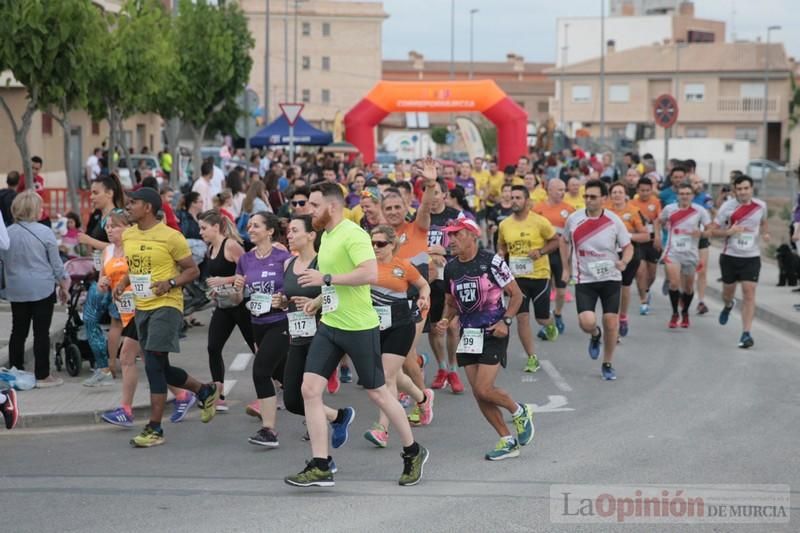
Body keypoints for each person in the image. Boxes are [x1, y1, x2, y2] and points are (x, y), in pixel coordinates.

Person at [284, 182, 428, 488]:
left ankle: (413, 451)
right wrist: (319, 299)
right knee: (309, 389)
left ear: (331, 207)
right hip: (331, 325)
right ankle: (320, 464)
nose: (309, 210)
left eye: (313, 204)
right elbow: (336, 284)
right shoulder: (327, 236)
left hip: (360, 327)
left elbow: (369, 274)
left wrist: (325, 277)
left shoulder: (354, 234)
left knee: (378, 392)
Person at [117, 187, 219, 447]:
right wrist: (123, 282)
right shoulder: (128, 235)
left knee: (153, 365)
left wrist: (171, 282)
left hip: (167, 305)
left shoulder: (171, 237)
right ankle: (203, 390)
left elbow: (192, 271)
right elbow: (137, 265)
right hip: (143, 306)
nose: (129, 207)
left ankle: (154, 428)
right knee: (159, 366)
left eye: (133, 203)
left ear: (148, 207)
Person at [435, 217, 534, 460]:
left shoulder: (491, 261)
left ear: (472, 235)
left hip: (493, 331)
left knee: (484, 388)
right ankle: (506, 439)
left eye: (457, 234)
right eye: (450, 235)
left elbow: (516, 295)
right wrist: (445, 319)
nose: (451, 240)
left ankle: (518, 410)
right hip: (468, 335)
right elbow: (451, 303)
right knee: (478, 393)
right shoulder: (451, 267)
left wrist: (506, 321)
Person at [278, 215, 355, 448]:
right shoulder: (288, 264)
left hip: (324, 335)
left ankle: (321, 457)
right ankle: (337, 417)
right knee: (292, 399)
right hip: (297, 335)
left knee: (311, 393)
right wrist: (282, 301)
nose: (289, 235)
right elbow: (289, 297)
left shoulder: (324, 262)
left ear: (311, 235)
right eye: (288, 231)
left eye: (294, 230)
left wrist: (317, 302)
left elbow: (340, 292)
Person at [364, 225, 434, 448]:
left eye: (381, 243)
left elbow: (424, 285)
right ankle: (423, 398)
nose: (375, 247)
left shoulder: (403, 266)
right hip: (375, 327)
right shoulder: (365, 267)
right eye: (372, 243)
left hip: (401, 326)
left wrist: (423, 298)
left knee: (386, 376)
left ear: (392, 245)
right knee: (396, 376)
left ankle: (382, 429)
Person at [560, 180, 633, 381]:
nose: (589, 200)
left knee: (611, 322)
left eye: (593, 196)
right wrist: (566, 268)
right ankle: (594, 334)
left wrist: (624, 262)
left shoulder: (613, 220)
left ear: (603, 199)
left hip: (610, 278)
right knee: (586, 322)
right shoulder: (574, 220)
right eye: (586, 196)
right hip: (584, 279)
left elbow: (628, 246)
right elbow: (563, 241)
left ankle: (607, 363)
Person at [231, 212, 291, 447]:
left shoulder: (283, 258)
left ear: (269, 231)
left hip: (279, 323)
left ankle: (268, 430)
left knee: (261, 371)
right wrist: (237, 288)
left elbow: (291, 293)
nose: (251, 229)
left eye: (256, 226)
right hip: (257, 324)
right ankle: (332, 416)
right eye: (249, 226)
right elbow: (237, 300)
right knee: (287, 378)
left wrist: (283, 300)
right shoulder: (245, 260)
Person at [0, 191, 70, 387]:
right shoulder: (45, 232)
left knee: (18, 331)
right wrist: (64, 284)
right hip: (42, 287)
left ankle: (16, 370)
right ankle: (43, 375)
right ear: (33, 209)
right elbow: (56, 265)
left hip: (16, 289)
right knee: (41, 332)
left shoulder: (7, 233)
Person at [497, 185, 559, 373]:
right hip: (516, 278)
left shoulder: (540, 222)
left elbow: (555, 241)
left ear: (526, 201)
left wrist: (540, 251)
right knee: (522, 318)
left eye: (518, 197)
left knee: (540, 318)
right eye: (511, 197)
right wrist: (500, 254)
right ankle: (532, 357)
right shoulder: (504, 224)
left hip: (539, 275)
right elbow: (502, 246)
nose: (513, 200)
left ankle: (549, 324)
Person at [199, 210, 254, 412]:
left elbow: (250, 271)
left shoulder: (230, 245)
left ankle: (279, 384)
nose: (200, 232)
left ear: (216, 227)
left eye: (204, 228)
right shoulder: (209, 248)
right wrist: (215, 290)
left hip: (241, 304)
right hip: (224, 306)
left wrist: (225, 281)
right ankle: (219, 394)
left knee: (256, 346)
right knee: (213, 347)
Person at [709, 175, 769, 348]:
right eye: (739, 189)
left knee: (749, 293)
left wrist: (765, 233)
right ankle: (728, 305)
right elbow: (713, 231)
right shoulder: (727, 207)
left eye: (746, 188)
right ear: (735, 190)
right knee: (727, 293)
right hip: (730, 257)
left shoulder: (761, 206)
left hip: (751, 257)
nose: (743, 192)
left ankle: (746, 333)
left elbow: (764, 223)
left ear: (751, 189)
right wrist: (729, 231)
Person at [658, 181, 711, 329]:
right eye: (682, 194)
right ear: (678, 195)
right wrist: (658, 236)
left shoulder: (700, 211)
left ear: (693, 195)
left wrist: (701, 233)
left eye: (688, 194)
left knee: (688, 288)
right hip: (672, 251)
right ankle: (675, 313)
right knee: (674, 283)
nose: (685, 196)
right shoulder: (669, 209)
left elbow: (710, 230)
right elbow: (659, 221)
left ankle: (685, 312)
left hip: (690, 253)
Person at [605, 182, 650, 337]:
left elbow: (645, 236)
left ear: (625, 195)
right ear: (610, 195)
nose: (617, 195)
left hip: (629, 253)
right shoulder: (604, 211)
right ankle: (612, 323)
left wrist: (627, 236)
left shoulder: (634, 211)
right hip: (608, 254)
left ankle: (622, 316)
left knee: (624, 287)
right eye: (614, 192)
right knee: (611, 288)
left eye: (620, 192)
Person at [532, 178, 576, 334]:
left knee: (561, 290)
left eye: (564, 190)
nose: (562, 193)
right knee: (545, 289)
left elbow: (572, 235)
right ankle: (546, 321)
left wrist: (570, 261)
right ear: (549, 191)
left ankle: (557, 313)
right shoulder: (538, 209)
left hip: (561, 253)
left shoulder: (569, 210)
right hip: (544, 251)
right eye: (559, 190)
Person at [629, 177, 662, 315]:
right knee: (640, 271)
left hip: (652, 240)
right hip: (638, 241)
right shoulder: (632, 203)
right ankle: (643, 300)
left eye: (648, 190)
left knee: (652, 274)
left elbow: (657, 220)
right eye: (642, 190)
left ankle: (646, 290)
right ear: (637, 190)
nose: (645, 193)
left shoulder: (656, 202)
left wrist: (658, 237)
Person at [690, 174, 715, 315]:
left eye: (700, 182)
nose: (698, 185)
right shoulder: (684, 197)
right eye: (695, 183)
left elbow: (714, 213)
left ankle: (701, 301)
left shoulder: (706, 198)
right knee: (687, 271)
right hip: (686, 239)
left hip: (702, 238)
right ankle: (683, 293)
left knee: (702, 270)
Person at [487, 183, 514, 251]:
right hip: (499, 239)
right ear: (501, 193)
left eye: (510, 191)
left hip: (513, 239)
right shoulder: (496, 207)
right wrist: (492, 225)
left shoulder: (516, 207)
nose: (507, 193)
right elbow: (490, 220)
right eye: (505, 191)